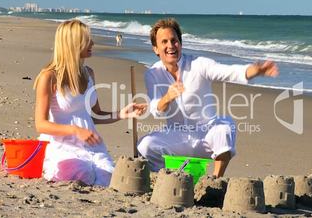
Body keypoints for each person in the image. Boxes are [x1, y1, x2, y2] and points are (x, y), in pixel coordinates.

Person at [138, 18, 279, 177]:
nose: (170, 46)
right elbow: (157, 109)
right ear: (156, 49)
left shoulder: (199, 64)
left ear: (180, 43)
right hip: (178, 136)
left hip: (207, 133)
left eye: (174, 40)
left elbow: (227, 71)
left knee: (225, 129)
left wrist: (254, 71)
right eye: (164, 42)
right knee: (145, 146)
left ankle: (215, 181)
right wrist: (168, 97)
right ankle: (167, 177)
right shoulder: (152, 74)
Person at [34, 20, 147, 186]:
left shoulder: (89, 74)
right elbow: (40, 124)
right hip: (61, 145)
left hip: (92, 145)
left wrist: (122, 114)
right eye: (87, 40)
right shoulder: (49, 77)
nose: (92, 43)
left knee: (109, 178)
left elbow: (95, 115)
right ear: (72, 44)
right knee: (81, 174)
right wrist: (75, 130)